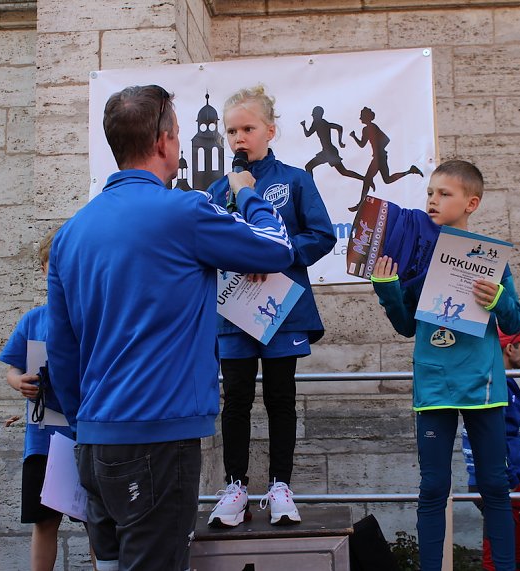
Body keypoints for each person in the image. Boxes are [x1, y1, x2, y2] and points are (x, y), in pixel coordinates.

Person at [46, 84, 294, 571]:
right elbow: (276, 247)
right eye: (178, 134)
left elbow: (62, 350)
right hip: (158, 438)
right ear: (164, 142)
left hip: (94, 441)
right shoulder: (185, 210)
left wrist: (85, 424)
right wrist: (250, 196)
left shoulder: (71, 232)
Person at [370, 159, 520, 570]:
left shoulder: (490, 258)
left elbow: (514, 322)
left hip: (482, 384)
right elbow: (406, 327)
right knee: (434, 486)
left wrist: (498, 299)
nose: (433, 200)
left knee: (494, 484)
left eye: (444, 193)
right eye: (430, 193)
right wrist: (388, 291)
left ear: (472, 202)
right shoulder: (416, 257)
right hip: (434, 384)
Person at [207, 85, 336, 528]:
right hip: (235, 313)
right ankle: (235, 486)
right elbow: (206, 246)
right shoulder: (217, 190)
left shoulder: (295, 180)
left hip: (283, 311)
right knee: (236, 398)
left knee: (282, 397)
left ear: (270, 130)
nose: (239, 137)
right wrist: (239, 260)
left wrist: (278, 255)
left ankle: (281, 486)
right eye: (231, 130)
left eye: (248, 128)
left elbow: (322, 236)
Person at [0, 227, 76, 571]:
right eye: (51, 263)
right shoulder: (34, 319)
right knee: (44, 522)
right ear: (44, 269)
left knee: (97, 523)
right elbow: (12, 369)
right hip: (42, 441)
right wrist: (20, 383)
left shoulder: (91, 317)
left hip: (85, 437)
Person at [462, 327, 520, 571]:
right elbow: (487, 435)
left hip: (505, 478)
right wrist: (505, 477)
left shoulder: (505, 382)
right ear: (510, 348)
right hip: (497, 481)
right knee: (499, 553)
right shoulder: (493, 384)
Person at [348, 106, 422, 211]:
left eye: (362, 116)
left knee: (368, 179)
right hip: (379, 157)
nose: (360, 118)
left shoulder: (372, 127)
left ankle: (360, 204)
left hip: (379, 157)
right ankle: (410, 170)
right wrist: (354, 137)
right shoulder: (366, 129)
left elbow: (386, 139)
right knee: (386, 179)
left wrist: (378, 148)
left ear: (366, 117)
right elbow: (362, 144)